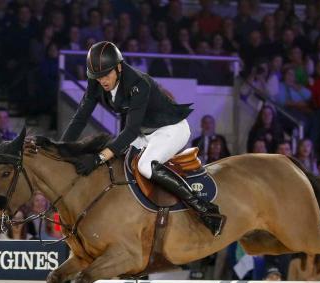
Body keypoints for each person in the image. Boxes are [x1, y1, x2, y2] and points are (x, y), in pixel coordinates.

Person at [60, 41, 224, 236]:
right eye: (97, 77)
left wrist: (98, 158)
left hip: (171, 129)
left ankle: (205, 210)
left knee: (145, 166)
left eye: (106, 75)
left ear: (119, 67)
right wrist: (60, 149)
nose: (102, 81)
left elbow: (129, 131)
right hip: (145, 133)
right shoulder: (96, 80)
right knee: (117, 161)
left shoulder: (138, 83)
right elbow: (81, 117)